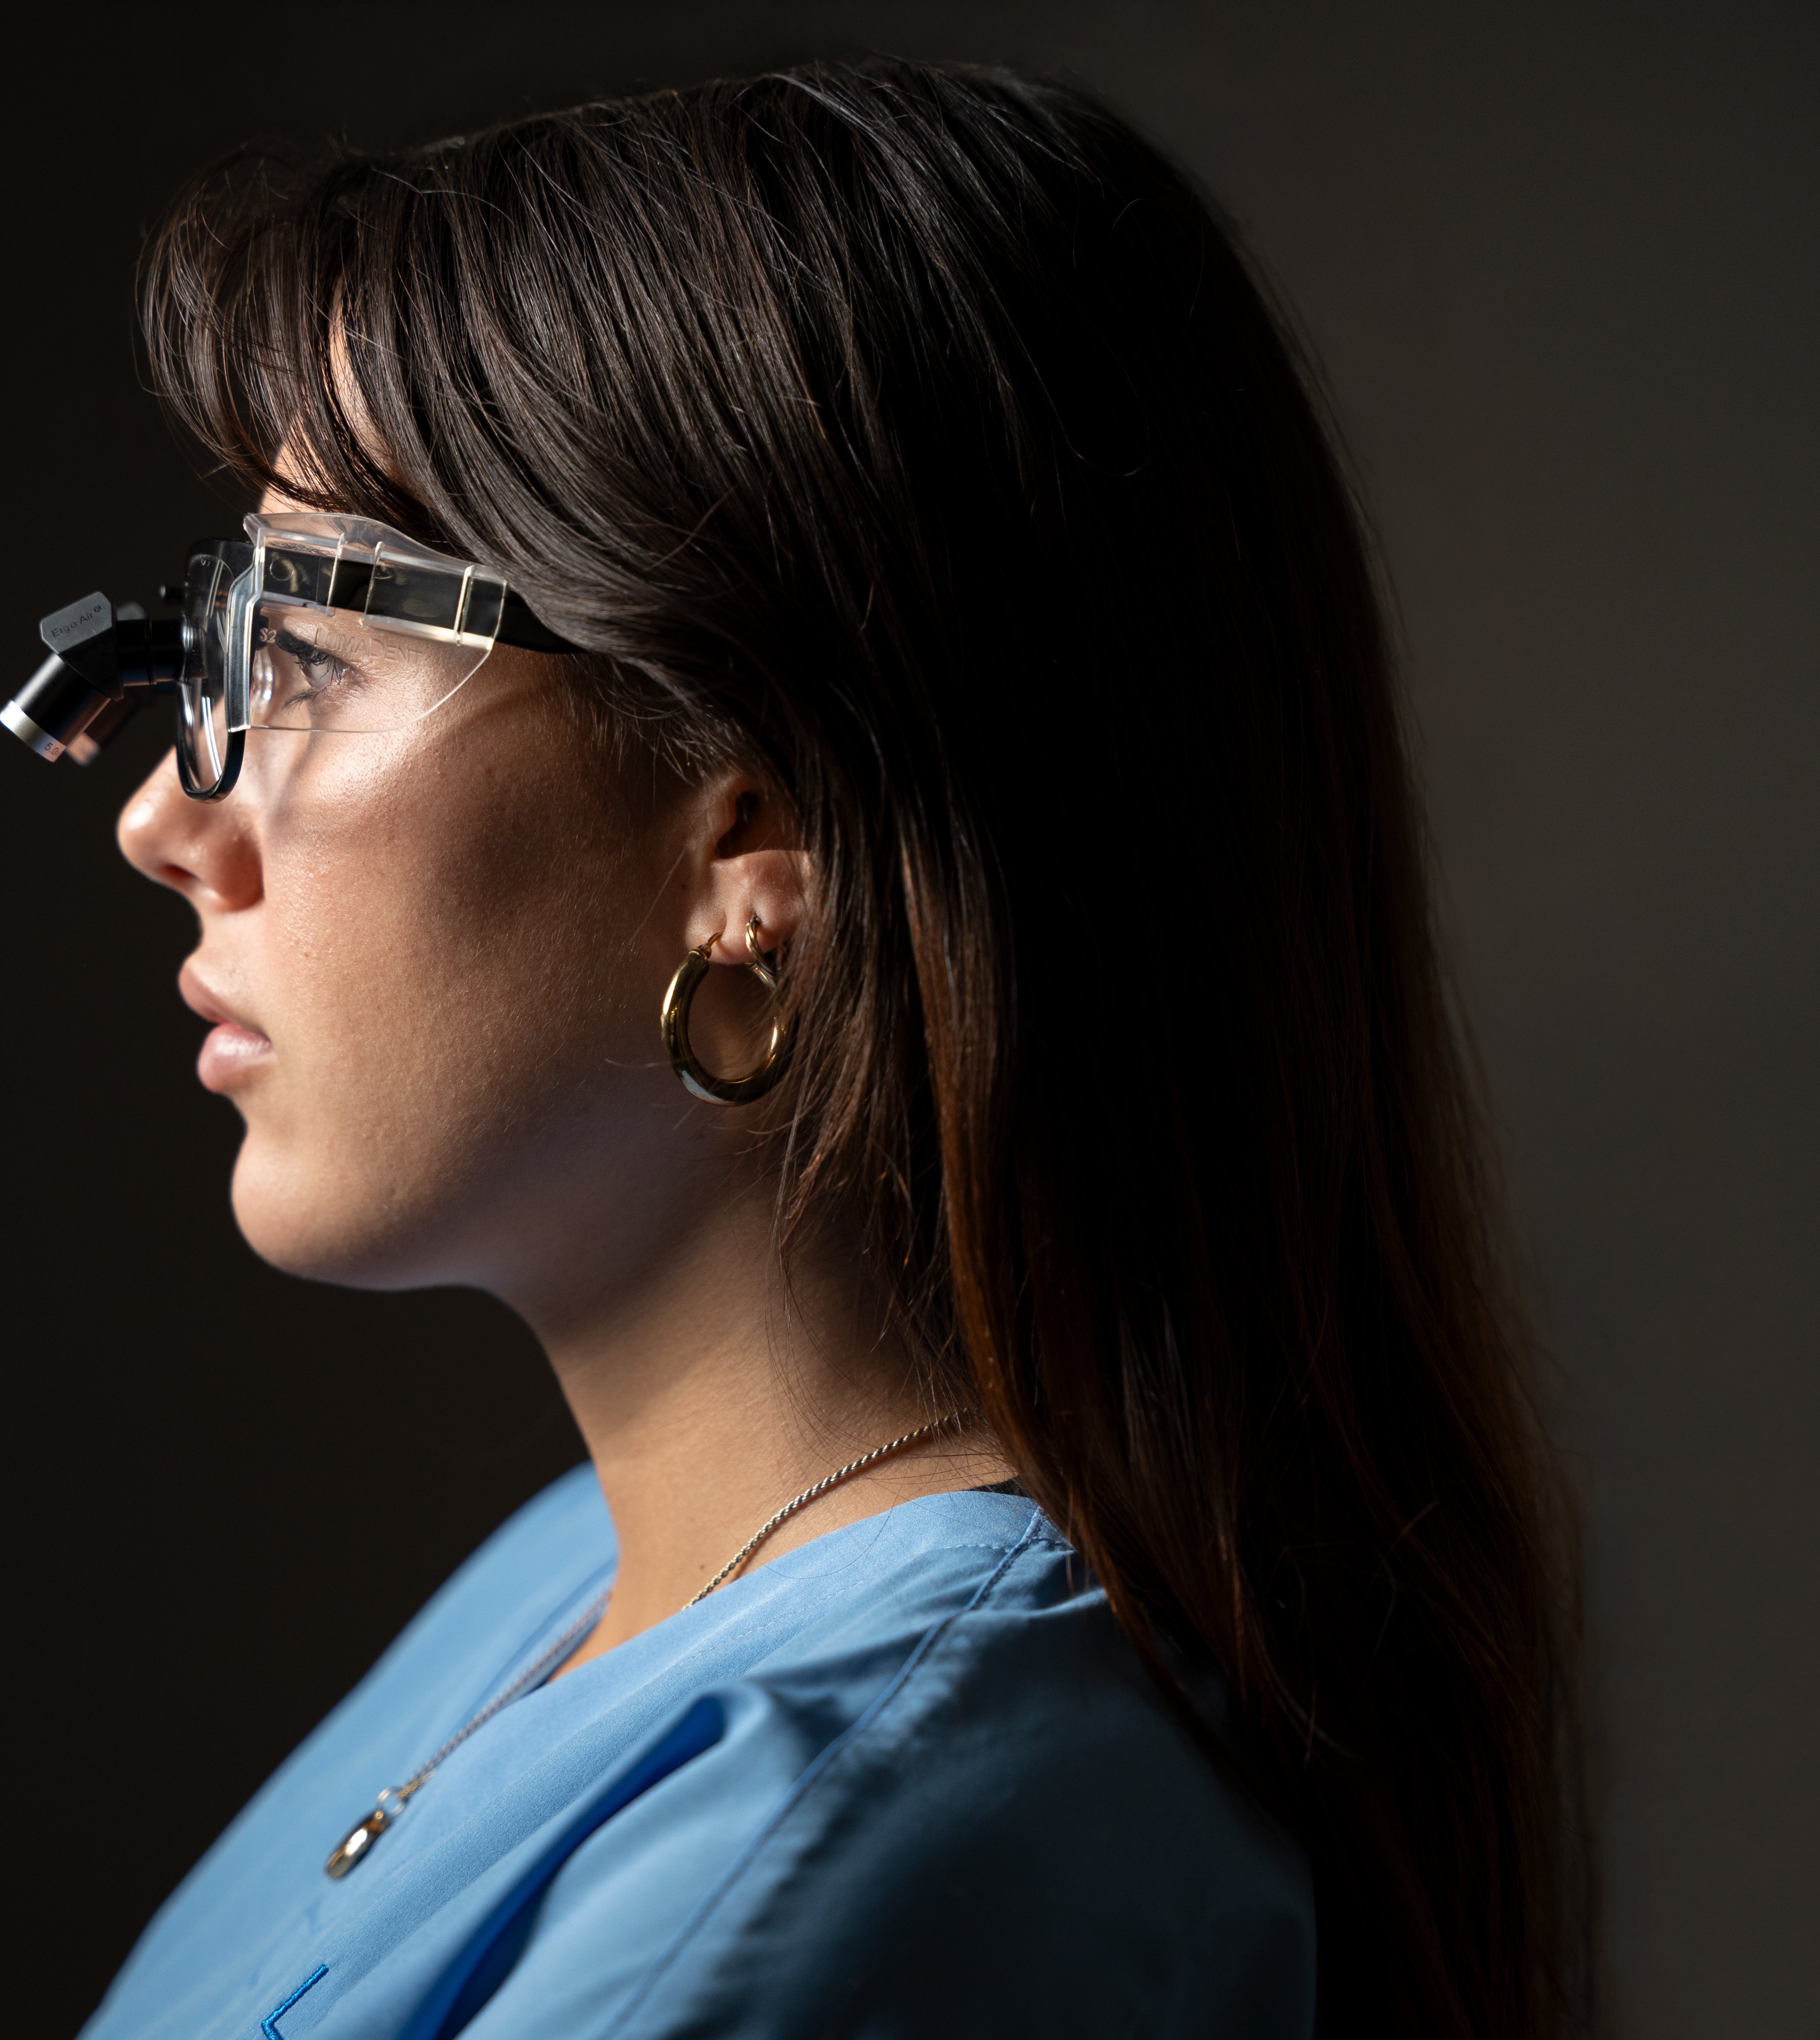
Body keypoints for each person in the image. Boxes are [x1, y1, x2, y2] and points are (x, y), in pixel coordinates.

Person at [77, 55, 1583, 2040]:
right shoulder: (583, 1588)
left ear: (752, 843)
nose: (168, 822)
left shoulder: (837, 1865)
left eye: (309, 658)